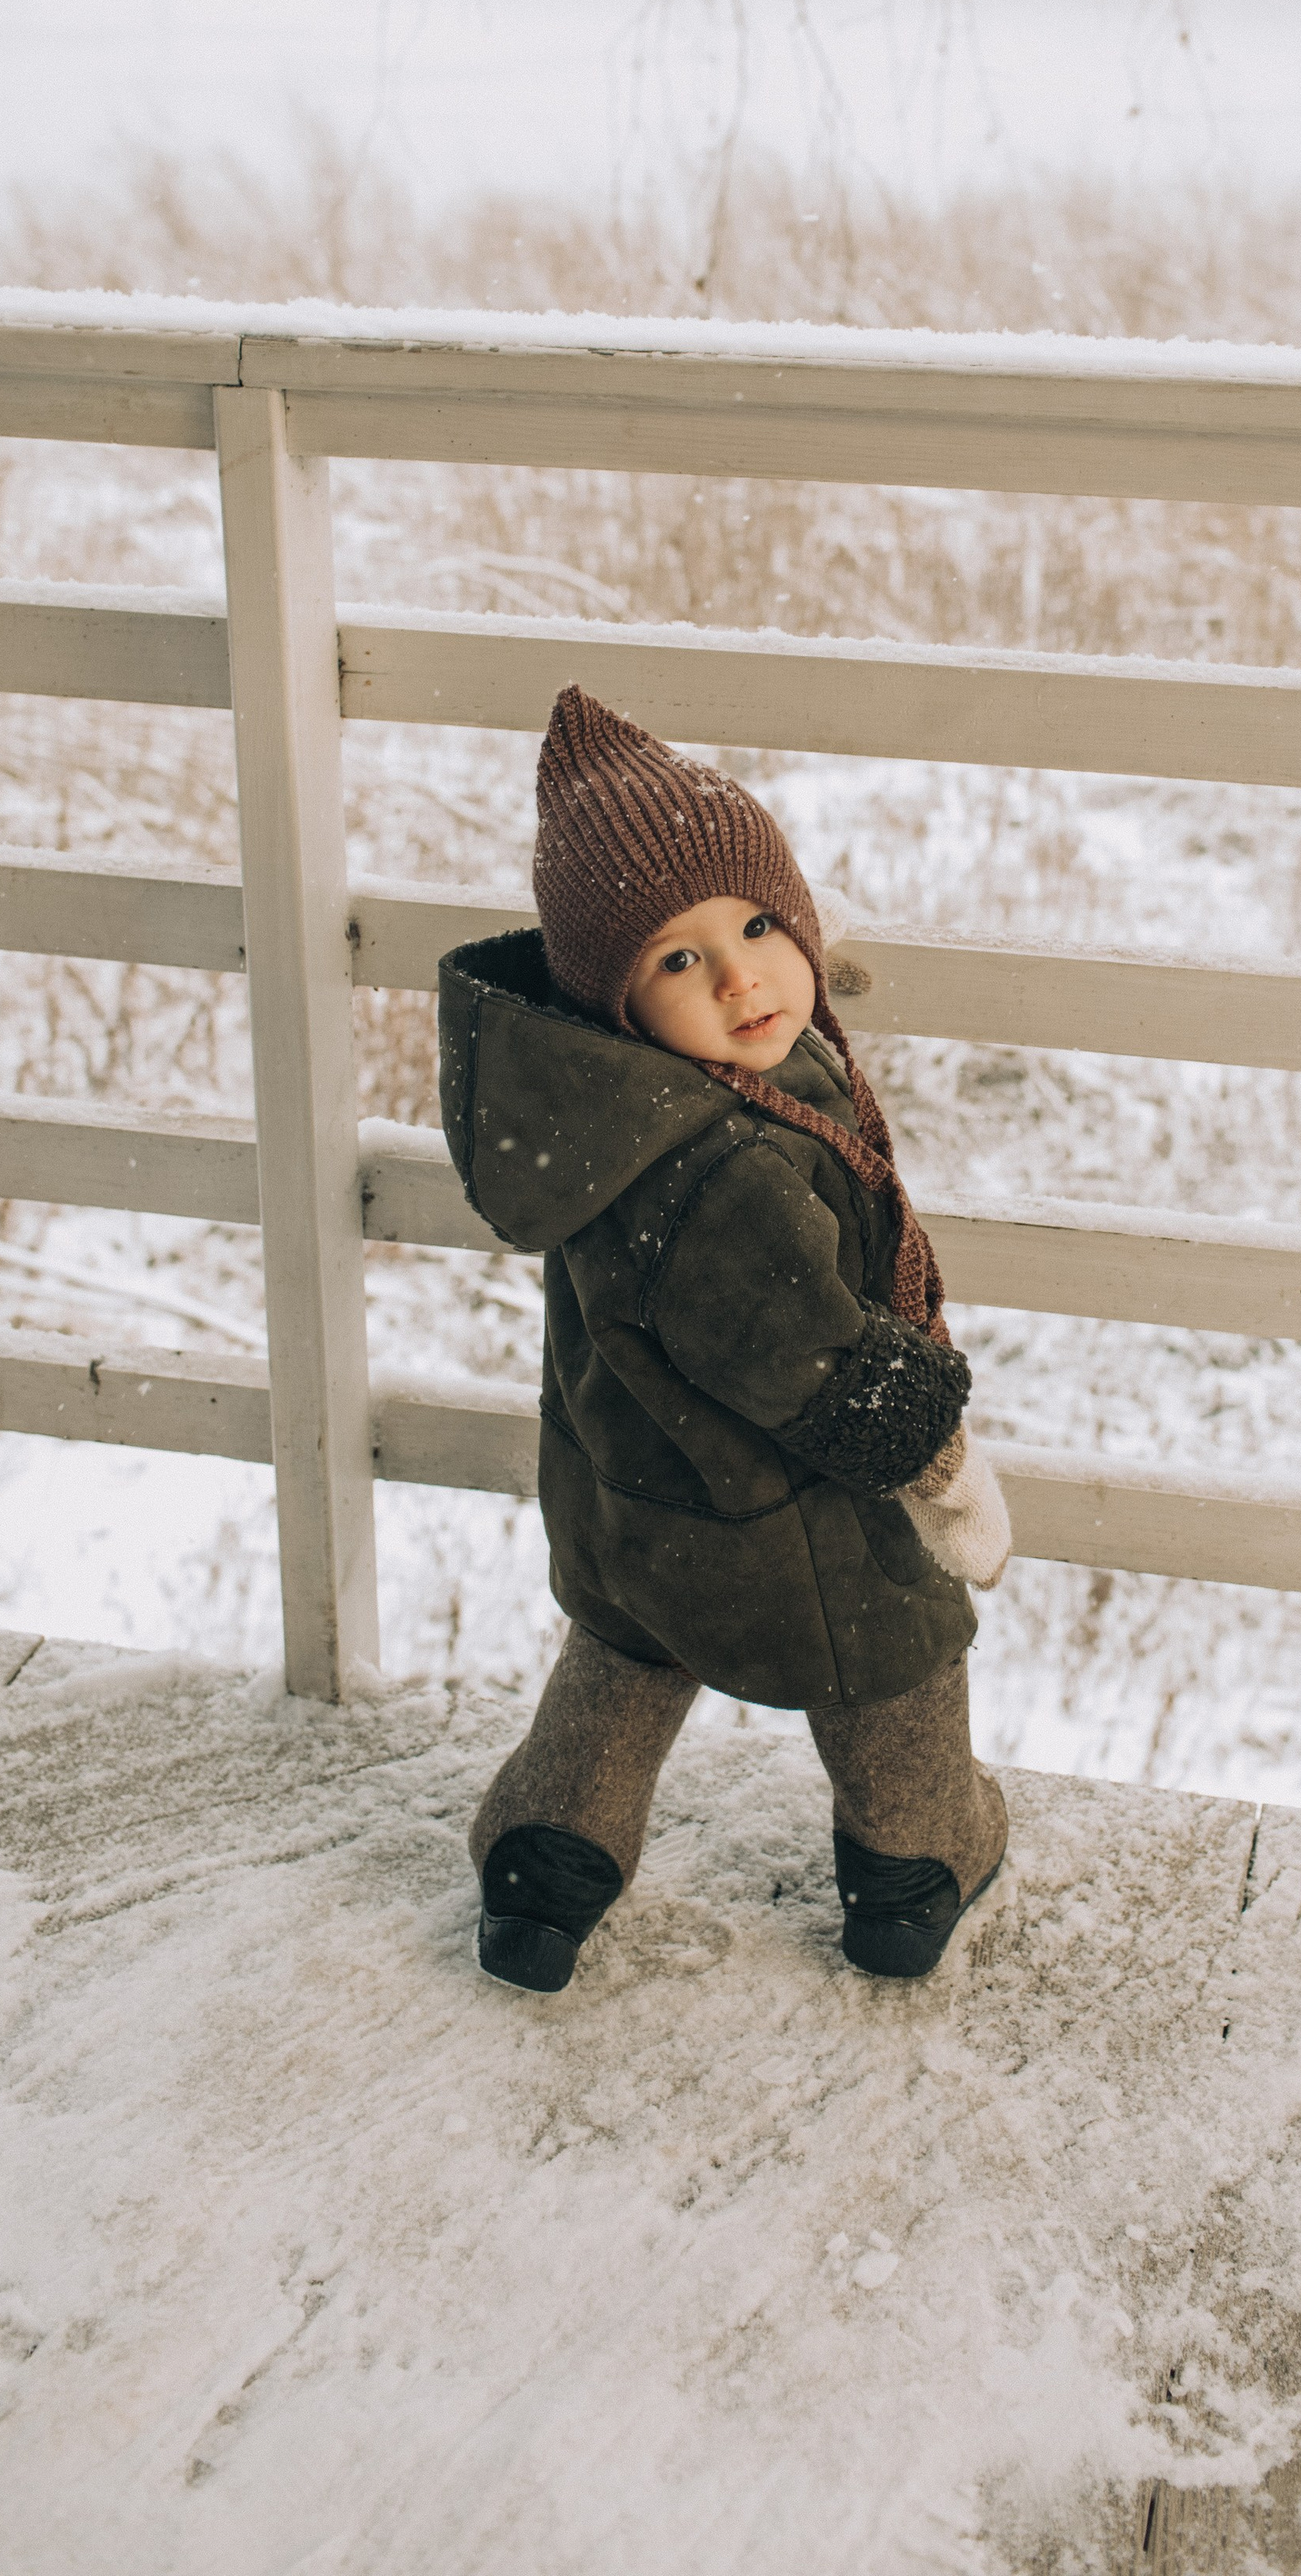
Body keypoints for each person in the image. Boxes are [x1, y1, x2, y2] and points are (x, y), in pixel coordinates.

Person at [438, 683, 1012, 1993]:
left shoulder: (607, 1106)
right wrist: (940, 1467)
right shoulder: (721, 1168)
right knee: (897, 1662)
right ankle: (918, 1867)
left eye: (760, 926)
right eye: (680, 959)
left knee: (627, 1661)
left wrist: (759, 962)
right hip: (775, 1510)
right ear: (618, 997)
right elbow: (813, 1359)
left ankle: (542, 1862)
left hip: (630, 1489)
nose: (744, 976)